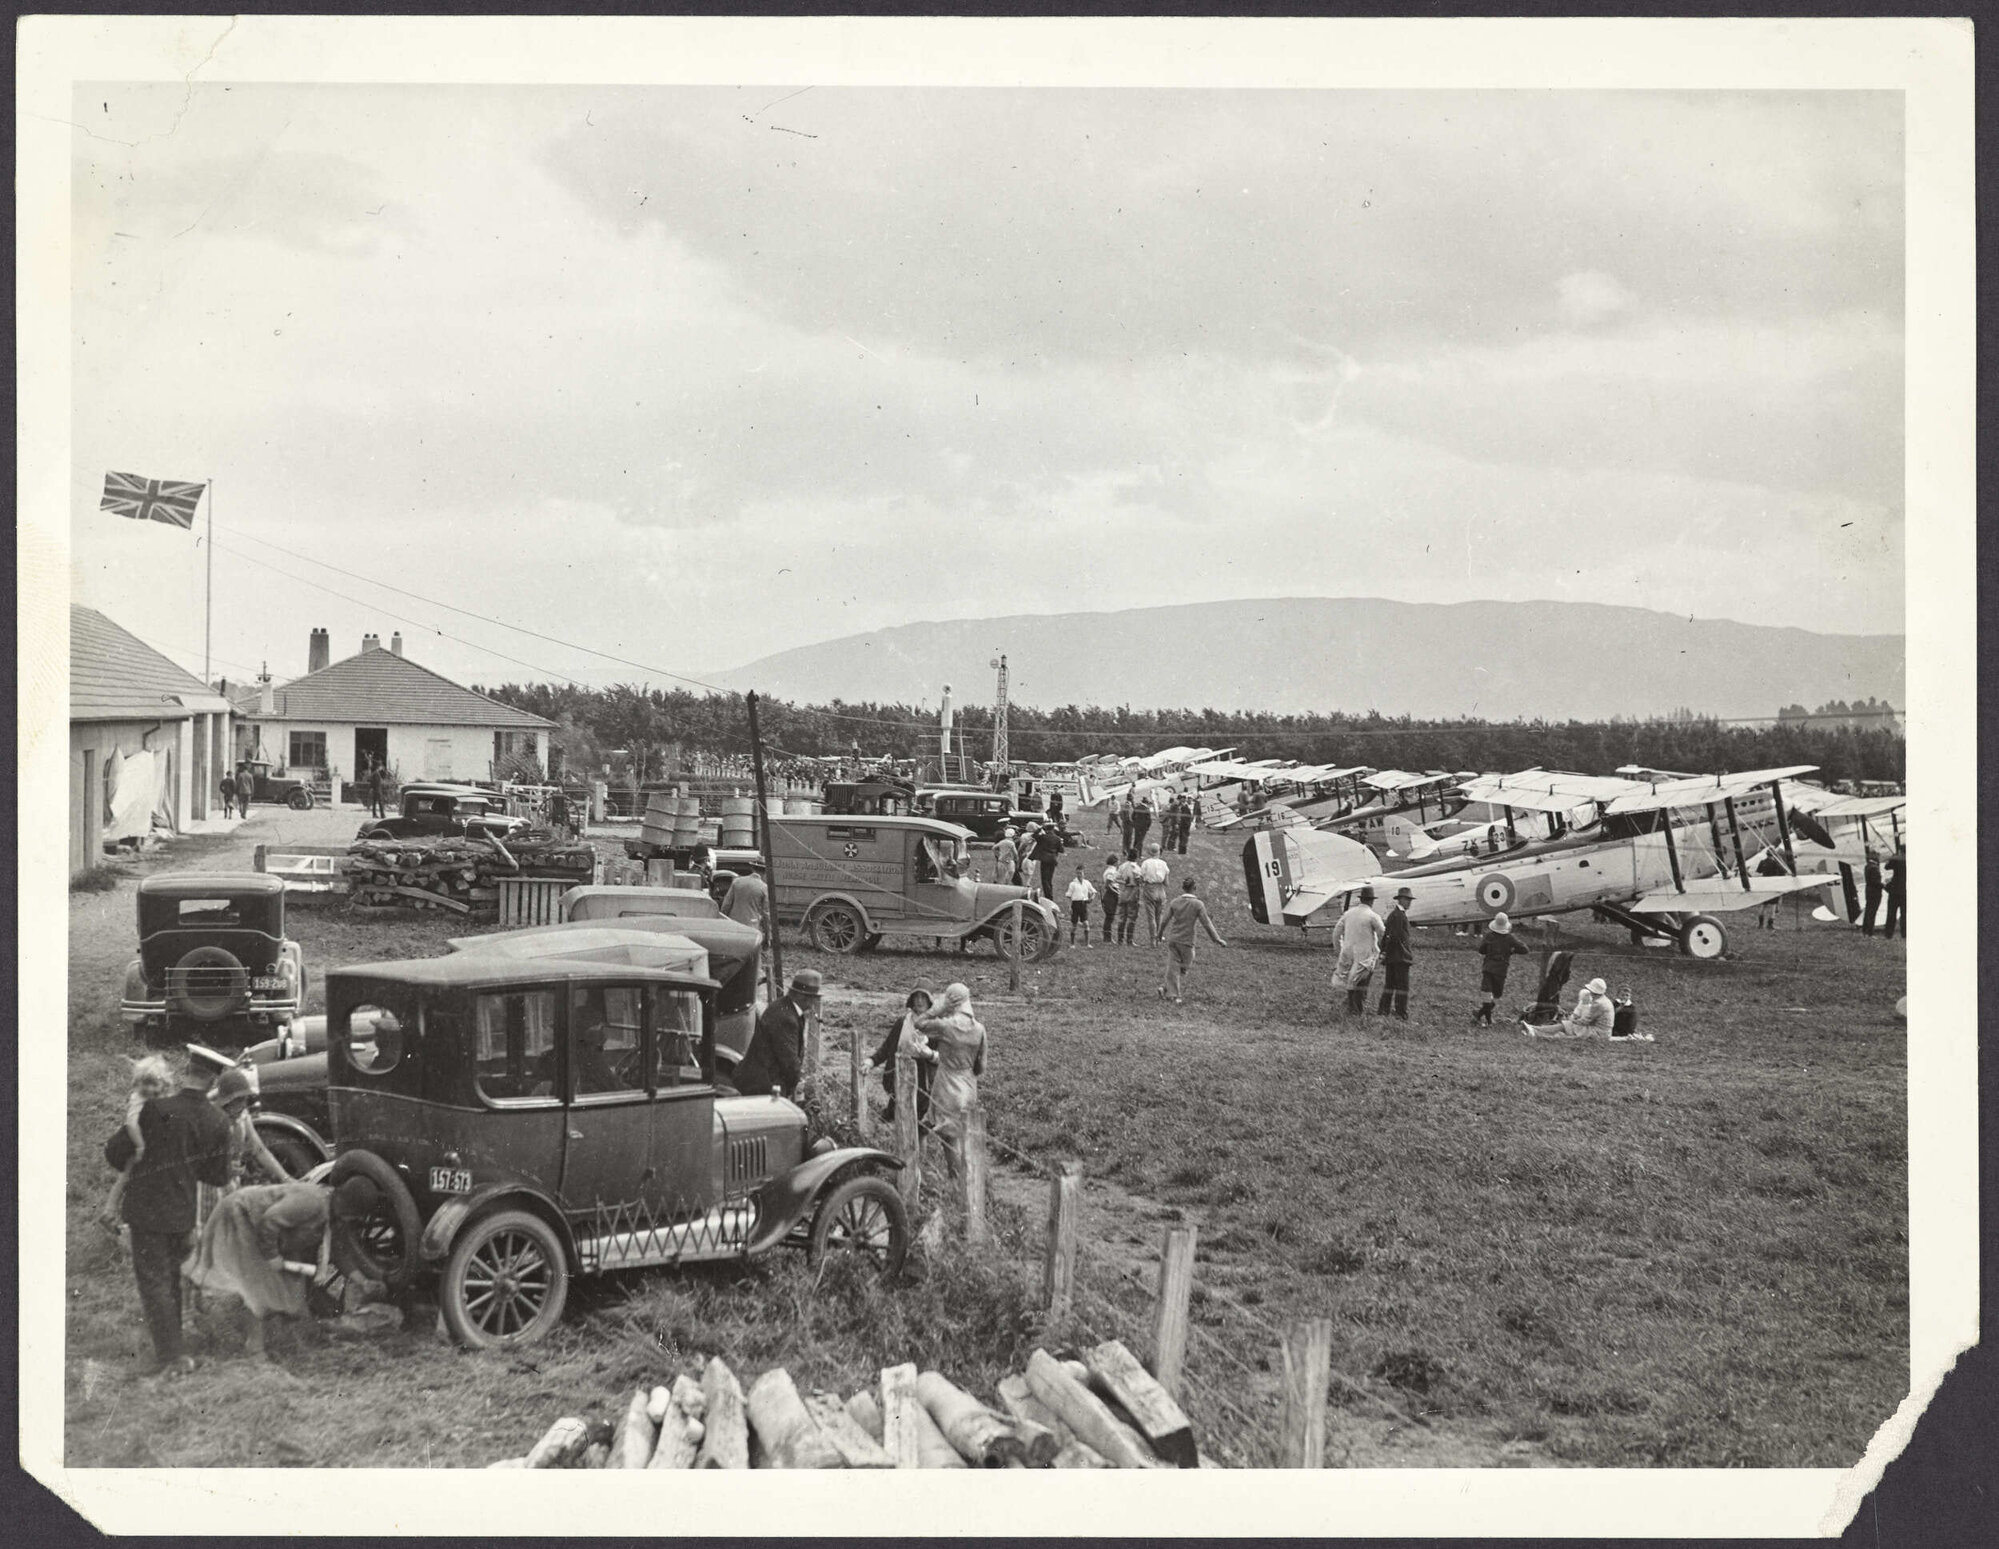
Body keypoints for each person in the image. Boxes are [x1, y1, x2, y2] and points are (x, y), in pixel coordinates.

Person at [103, 1058, 232, 1376]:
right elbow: (217, 1176)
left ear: (186, 1072)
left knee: (154, 1282)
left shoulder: (154, 1108)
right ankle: (176, 1348)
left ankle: (172, 1357)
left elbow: (115, 1152)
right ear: (214, 1081)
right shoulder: (218, 1120)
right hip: (183, 1211)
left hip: (146, 1209)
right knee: (172, 1280)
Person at [182, 1176, 371, 1358]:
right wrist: (271, 1256)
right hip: (242, 1214)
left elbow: (339, 1251)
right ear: (346, 1205)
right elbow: (270, 1220)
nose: (352, 1220)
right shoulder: (313, 1202)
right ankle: (254, 1347)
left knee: (292, 1288)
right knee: (260, 1281)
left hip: (270, 1232)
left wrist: (363, 1282)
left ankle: (282, 1333)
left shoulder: (334, 1214)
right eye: (354, 1215)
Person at [99, 1055, 178, 1237]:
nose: (149, 1089)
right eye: (145, 1084)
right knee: (127, 1177)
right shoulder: (138, 1098)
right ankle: (109, 1213)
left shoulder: (164, 1097)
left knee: (136, 1179)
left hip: (150, 1142)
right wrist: (140, 1146)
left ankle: (126, 1218)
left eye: (153, 1084)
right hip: (132, 1144)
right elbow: (132, 1124)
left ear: (164, 1084)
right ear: (137, 1083)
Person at [911, 983, 986, 1175]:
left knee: (949, 1139)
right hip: (969, 1087)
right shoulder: (979, 1029)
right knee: (962, 1135)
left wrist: (939, 1008)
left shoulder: (946, 1026)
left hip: (947, 1086)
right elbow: (981, 1067)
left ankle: (957, 1180)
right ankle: (970, 1179)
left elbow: (919, 1023)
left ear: (950, 1001)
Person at [731, 969, 822, 1099]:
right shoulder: (786, 1019)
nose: (814, 1004)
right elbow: (789, 1063)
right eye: (813, 999)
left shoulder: (783, 1006)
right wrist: (797, 1086)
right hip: (763, 1086)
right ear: (803, 997)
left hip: (760, 1079)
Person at [208, 1067, 294, 1197]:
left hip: (232, 1185)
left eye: (245, 1099)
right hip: (210, 1188)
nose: (243, 1104)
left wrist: (286, 1178)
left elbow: (259, 1149)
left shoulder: (242, 1115)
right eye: (238, 1100)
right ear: (227, 1101)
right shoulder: (210, 1117)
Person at [1157, 877, 1228, 1003]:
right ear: (1194, 888)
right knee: (1184, 965)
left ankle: (1165, 988)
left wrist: (1159, 935)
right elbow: (1206, 923)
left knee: (1174, 967)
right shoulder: (1198, 904)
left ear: (1183, 888)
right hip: (1187, 941)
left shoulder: (1175, 902)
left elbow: (1164, 921)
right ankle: (1174, 995)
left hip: (1173, 939)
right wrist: (1217, 939)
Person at [871, 989, 935, 1127]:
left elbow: (942, 1057)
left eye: (923, 997)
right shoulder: (903, 1022)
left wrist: (930, 1054)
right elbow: (888, 1047)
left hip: (924, 1078)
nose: (919, 1001)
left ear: (930, 1001)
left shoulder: (936, 1025)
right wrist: (871, 1061)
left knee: (920, 1123)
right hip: (901, 1072)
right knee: (897, 1116)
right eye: (916, 997)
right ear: (911, 1000)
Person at [1331, 885, 1385, 1017]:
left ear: (1361, 899)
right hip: (1365, 954)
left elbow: (1336, 933)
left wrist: (1339, 949)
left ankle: (1351, 1007)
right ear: (1371, 901)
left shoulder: (1348, 914)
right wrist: (1382, 948)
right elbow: (1383, 933)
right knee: (1361, 982)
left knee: (1350, 980)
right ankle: (1357, 1010)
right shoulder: (1372, 916)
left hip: (1348, 952)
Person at [1471, 911, 1529, 1026]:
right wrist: (1512, 951)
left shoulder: (1489, 936)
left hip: (1488, 968)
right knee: (1496, 994)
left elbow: (1481, 950)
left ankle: (1480, 1015)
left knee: (1487, 993)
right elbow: (1525, 949)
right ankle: (1487, 1020)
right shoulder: (1510, 938)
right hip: (1501, 970)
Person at [1529, 976, 1615, 1039]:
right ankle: (1535, 1029)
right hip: (1599, 1030)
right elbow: (1584, 1014)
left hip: (1599, 1033)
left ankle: (1536, 1031)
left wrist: (1572, 1021)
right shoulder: (1602, 1000)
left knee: (1568, 1027)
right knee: (1567, 1026)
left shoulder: (1598, 1003)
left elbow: (1586, 1020)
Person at [1376, 886, 1416, 1021]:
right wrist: (1406, 954)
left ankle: (1383, 1010)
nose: (1409, 902)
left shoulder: (1394, 914)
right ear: (1401, 900)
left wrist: (1385, 952)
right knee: (1402, 987)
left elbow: (1387, 936)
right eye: (1407, 900)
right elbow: (1396, 937)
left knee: (1390, 985)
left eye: (1410, 900)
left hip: (1392, 957)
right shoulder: (1400, 916)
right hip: (1400, 957)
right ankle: (1400, 1013)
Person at [1138, 843, 1172, 944]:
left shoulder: (1145, 863)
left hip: (1149, 888)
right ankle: (1159, 938)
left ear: (1149, 852)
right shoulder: (1164, 864)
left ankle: (1153, 939)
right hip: (1160, 890)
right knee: (1159, 915)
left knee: (1151, 916)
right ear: (1159, 852)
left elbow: (1141, 879)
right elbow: (1166, 883)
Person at [1064, 863, 1098, 946]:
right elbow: (1068, 896)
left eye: (1080, 873)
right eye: (1077, 873)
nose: (1079, 875)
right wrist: (1069, 907)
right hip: (1075, 904)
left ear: (1083, 873)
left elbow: (1094, 891)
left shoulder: (1087, 883)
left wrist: (1091, 898)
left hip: (1083, 904)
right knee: (1074, 925)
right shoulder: (1073, 884)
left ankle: (1087, 943)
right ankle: (1072, 944)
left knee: (1086, 923)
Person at [1115, 850, 1143, 946]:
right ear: (1136, 857)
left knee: (1122, 916)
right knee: (1132, 917)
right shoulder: (1137, 868)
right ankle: (1129, 940)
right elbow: (1139, 881)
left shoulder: (1122, 866)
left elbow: (1115, 878)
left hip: (1124, 891)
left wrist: (1124, 882)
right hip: (1133, 891)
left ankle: (1120, 939)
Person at [1032, 823, 1065, 899]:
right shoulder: (1057, 838)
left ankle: (1048, 896)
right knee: (1049, 879)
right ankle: (1050, 894)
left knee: (1044, 880)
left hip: (1044, 859)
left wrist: (1039, 828)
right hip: (1052, 860)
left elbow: (1034, 835)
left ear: (1046, 829)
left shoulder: (1043, 837)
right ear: (1053, 829)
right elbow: (1061, 850)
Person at [1882, 844, 1905, 939]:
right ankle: (1904, 933)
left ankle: (1888, 933)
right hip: (1905, 891)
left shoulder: (1897, 860)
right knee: (1904, 914)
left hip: (1894, 891)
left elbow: (1886, 867)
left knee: (1891, 913)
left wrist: (1893, 857)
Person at [1100, 854, 1122, 945]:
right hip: (1111, 895)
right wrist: (1117, 893)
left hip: (1110, 894)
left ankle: (1108, 937)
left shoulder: (1110, 870)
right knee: (1109, 917)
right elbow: (1108, 884)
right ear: (1115, 862)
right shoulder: (1111, 871)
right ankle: (1107, 938)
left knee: (1110, 917)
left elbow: (1114, 880)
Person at [1860, 848, 1883, 935]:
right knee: (1872, 912)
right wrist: (1885, 886)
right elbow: (1876, 882)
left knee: (1868, 910)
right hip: (1875, 892)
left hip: (1869, 891)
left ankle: (1865, 929)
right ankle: (1870, 931)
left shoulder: (1867, 866)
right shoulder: (1874, 868)